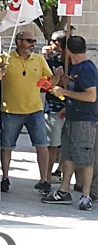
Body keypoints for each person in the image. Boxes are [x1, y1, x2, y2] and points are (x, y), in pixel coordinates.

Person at [42, 35, 96, 211]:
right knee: (68, 155)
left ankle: (86, 195)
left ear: (68, 51)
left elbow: (91, 96)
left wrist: (64, 91)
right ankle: (64, 190)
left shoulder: (86, 68)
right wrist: (68, 105)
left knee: (85, 157)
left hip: (84, 120)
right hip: (73, 116)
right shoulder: (76, 68)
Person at [0, 31, 53, 193]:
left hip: (35, 110)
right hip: (10, 110)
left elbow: (48, 82)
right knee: (7, 146)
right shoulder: (5, 59)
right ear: (19, 42)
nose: (33, 44)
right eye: (29, 41)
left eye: (34, 41)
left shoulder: (39, 59)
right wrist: (0, 72)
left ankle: (44, 180)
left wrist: (56, 78)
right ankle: (5, 177)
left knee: (42, 145)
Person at [45, 31, 68, 181]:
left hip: (70, 108)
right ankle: (46, 176)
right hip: (54, 108)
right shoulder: (51, 62)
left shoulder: (73, 63)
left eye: (53, 41)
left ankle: (60, 172)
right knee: (52, 144)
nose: (51, 43)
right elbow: (45, 83)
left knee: (68, 145)